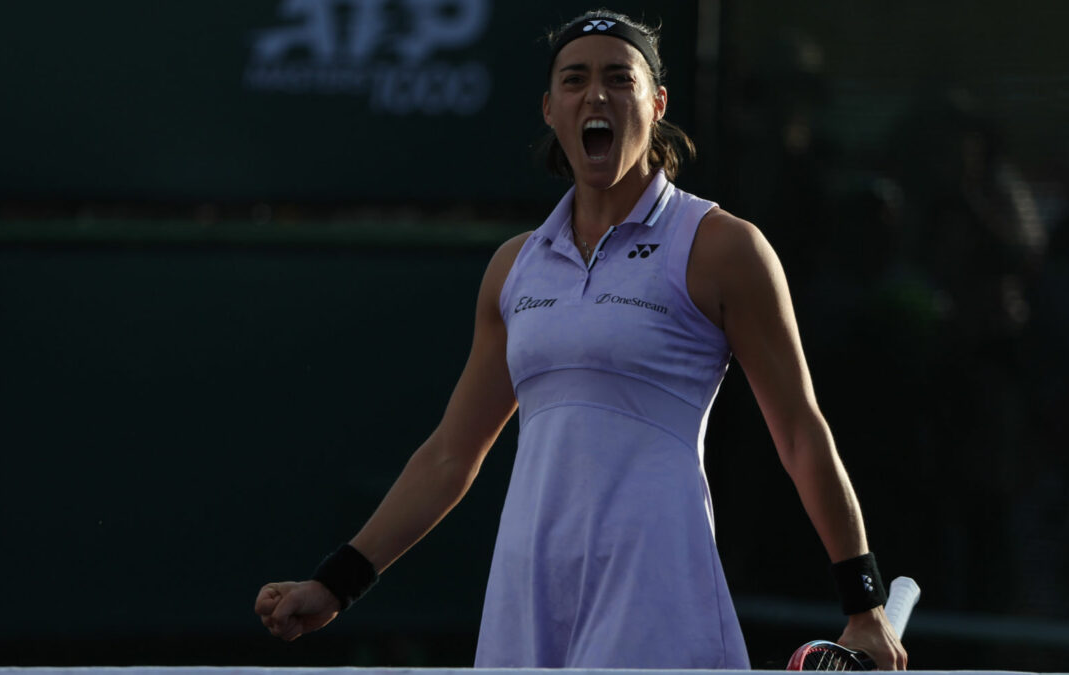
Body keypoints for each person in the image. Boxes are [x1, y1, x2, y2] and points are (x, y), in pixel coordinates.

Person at [254, 10, 908, 670]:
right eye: (575, 79)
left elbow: (800, 431)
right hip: (526, 594)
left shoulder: (724, 247)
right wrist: (337, 582)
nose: (595, 95)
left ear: (657, 104)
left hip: (656, 592)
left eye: (618, 78)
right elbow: (452, 454)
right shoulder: (514, 267)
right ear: (549, 108)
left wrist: (865, 606)